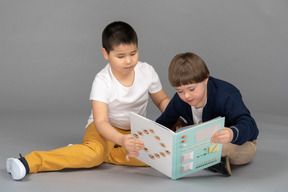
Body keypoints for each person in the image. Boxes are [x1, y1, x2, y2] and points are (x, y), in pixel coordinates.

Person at [6, 21, 170, 181]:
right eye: (121, 56)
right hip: (103, 128)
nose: (128, 61)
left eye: (133, 53)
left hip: (134, 130)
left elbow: (162, 100)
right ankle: (29, 162)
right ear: (106, 54)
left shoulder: (147, 71)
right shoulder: (102, 80)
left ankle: (99, 154)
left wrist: (175, 116)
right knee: (93, 155)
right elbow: (101, 122)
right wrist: (121, 140)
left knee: (155, 156)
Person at [156, 52, 259, 176]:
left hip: (239, 143)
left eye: (192, 89)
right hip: (202, 138)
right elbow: (163, 122)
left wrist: (232, 133)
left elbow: (252, 127)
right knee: (176, 128)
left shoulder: (226, 95)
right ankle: (210, 161)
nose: (187, 96)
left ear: (206, 79)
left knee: (221, 146)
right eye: (179, 91)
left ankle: (207, 160)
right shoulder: (180, 99)